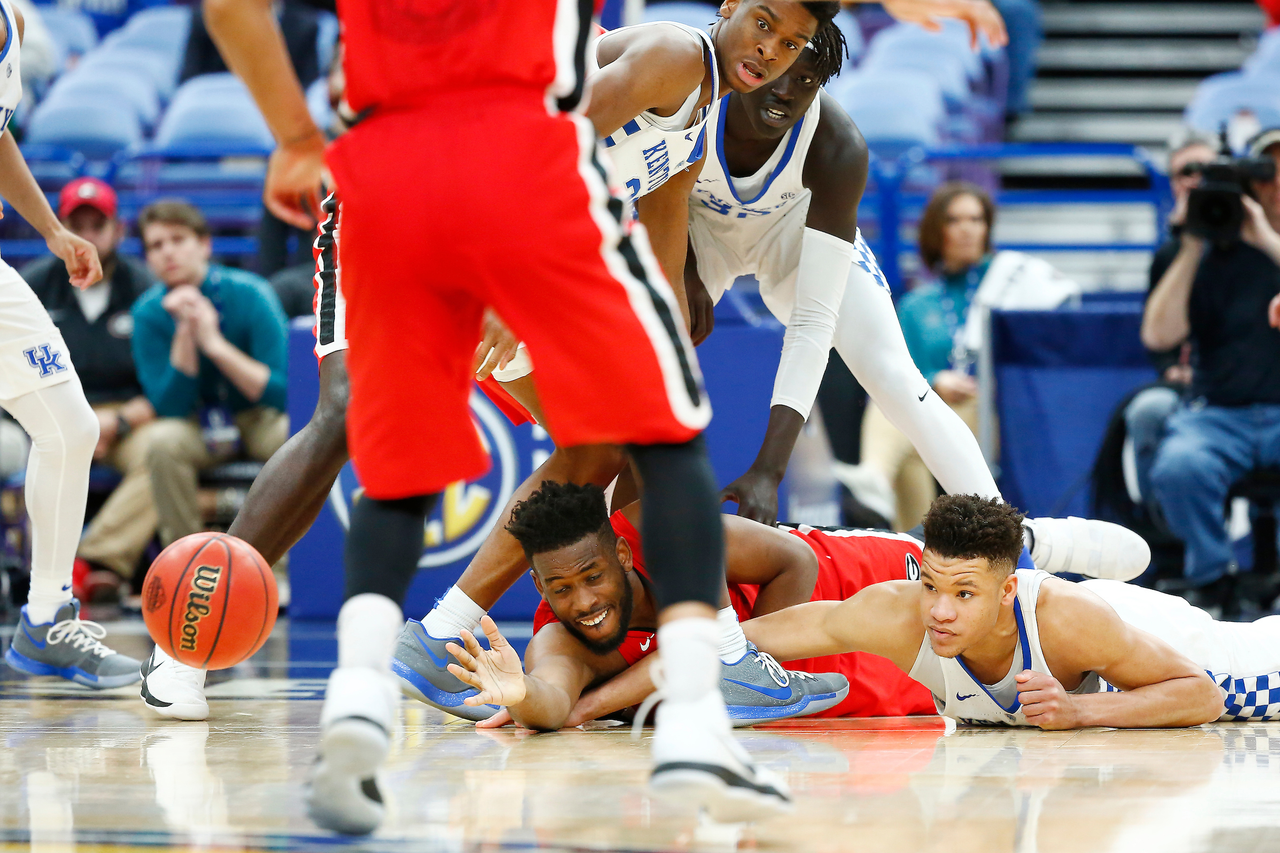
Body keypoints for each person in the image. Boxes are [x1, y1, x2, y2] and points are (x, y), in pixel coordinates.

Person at [203, 0, 859, 833]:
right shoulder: (673, 53)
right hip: (443, 200)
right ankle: (709, 659)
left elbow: (657, 237)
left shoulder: (699, 111)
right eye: (765, 24)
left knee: (617, 440)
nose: (772, 50)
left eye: (793, 43)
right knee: (373, 423)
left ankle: (449, 634)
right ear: (729, 8)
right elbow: (552, 131)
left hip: (488, 210)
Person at [743, 493, 1280, 728]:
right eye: (930, 585)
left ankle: (1045, 537)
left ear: (1006, 591)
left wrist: (1079, 712)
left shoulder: (1063, 617)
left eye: (964, 593)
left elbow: (1202, 694)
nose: (940, 612)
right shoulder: (896, 613)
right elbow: (744, 640)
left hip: (1180, 650)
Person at [447, 480, 935, 732]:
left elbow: (796, 560)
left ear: (622, 553)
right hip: (824, 691)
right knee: (944, 685)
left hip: (849, 576)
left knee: (966, 591)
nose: (584, 602)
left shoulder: (662, 533)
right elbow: (553, 702)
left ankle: (1017, 536)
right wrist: (523, 695)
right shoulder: (558, 638)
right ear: (537, 585)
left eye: (593, 577)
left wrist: (744, 663)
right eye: (561, 589)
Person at [0, 0, 142, 689]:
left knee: (69, 426)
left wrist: (53, 230)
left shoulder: (14, 23)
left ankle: (47, 618)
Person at [858, 181, 1077, 530]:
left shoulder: (1012, 281)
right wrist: (935, 380)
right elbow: (898, 371)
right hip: (934, 407)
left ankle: (873, 481)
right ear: (936, 230)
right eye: (954, 220)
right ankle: (906, 534)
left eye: (976, 219)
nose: (967, 229)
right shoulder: (916, 304)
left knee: (906, 419)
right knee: (897, 416)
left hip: (995, 413)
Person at [1142, 128, 1280, 617]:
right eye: (1267, 172)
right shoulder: (1196, 252)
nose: (1276, 183)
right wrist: (1194, 243)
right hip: (1219, 414)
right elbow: (1159, 336)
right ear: (1250, 182)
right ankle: (1212, 576)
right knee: (1180, 465)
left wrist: (1265, 238)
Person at [128, 200, 290, 564]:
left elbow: (284, 394)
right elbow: (169, 407)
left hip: (258, 417)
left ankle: (286, 568)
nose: (167, 251)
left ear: (204, 245)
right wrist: (185, 334)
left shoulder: (251, 293)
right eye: (156, 245)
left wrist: (215, 345)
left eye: (177, 239)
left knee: (294, 435)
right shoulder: (148, 312)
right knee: (160, 442)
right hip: (196, 423)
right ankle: (189, 568)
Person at [24, 178, 157, 602]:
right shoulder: (30, 288)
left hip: (125, 418)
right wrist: (63, 421)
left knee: (161, 452)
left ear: (118, 230)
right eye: (75, 224)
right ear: (58, 229)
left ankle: (94, 562)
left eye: (96, 225)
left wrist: (116, 421)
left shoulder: (146, 290)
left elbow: (165, 383)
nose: (86, 235)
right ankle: (31, 569)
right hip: (44, 413)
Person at [1121, 130, 1216, 529]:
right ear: (1174, 182)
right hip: (1190, 385)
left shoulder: (1257, 238)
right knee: (1147, 411)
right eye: (1185, 171)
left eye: (1206, 170)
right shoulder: (1170, 253)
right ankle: (1167, 539)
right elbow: (1157, 336)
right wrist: (1169, 369)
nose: (1196, 179)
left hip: (1250, 386)